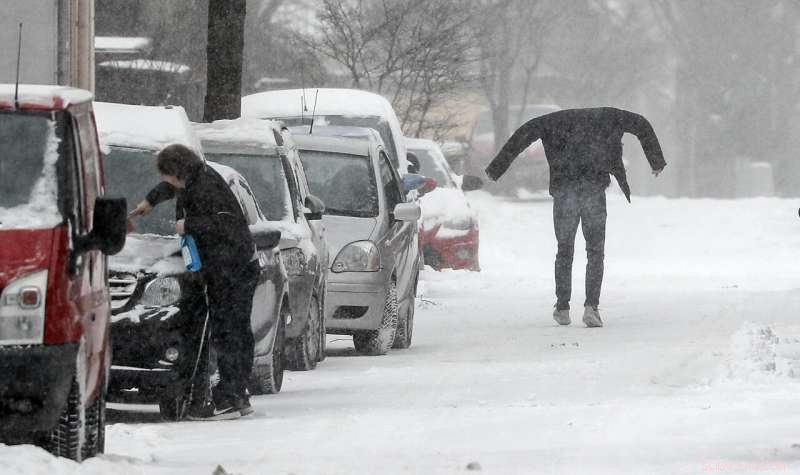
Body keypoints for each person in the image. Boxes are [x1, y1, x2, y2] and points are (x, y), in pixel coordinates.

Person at [485, 107, 666, 328]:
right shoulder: (608, 117)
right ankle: (591, 307)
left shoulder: (551, 121)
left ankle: (562, 308)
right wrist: (655, 161)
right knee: (595, 251)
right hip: (593, 190)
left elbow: (523, 134)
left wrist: (496, 168)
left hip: (564, 191)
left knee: (564, 250)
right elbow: (641, 124)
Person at [129, 144, 259, 420]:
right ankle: (237, 395)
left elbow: (228, 226)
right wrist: (149, 202)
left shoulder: (207, 188)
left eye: (167, 176)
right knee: (230, 331)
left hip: (233, 269)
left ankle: (231, 398)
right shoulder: (195, 178)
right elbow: (170, 187)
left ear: (178, 172)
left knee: (230, 332)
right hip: (227, 267)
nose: (167, 183)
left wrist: (189, 226)